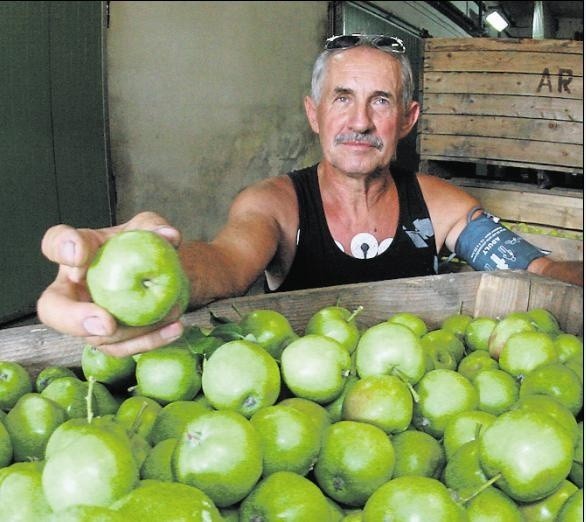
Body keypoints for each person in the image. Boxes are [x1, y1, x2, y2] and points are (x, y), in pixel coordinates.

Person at [37, 34, 583, 357]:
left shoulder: (436, 203)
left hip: (414, 406)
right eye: (341, 98)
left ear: (408, 119)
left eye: (381, 102)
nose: (360, 122)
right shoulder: (276, 205)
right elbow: (223, 263)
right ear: (313, 113)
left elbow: (532, 269)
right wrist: (150, 278)